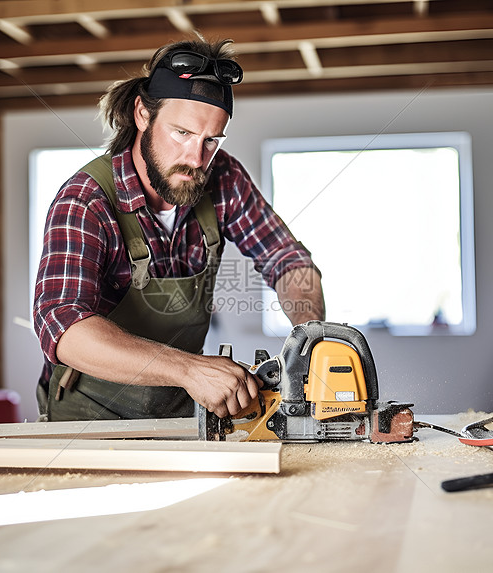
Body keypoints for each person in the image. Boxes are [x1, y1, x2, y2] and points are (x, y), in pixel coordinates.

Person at [33, 35, 325, 422]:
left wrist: (312, 341)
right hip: (89, 417)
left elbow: (287, 260)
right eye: (182, 133)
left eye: (211, 141)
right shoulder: (86, 200)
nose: (195, 158)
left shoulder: (223, 179)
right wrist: (189, 369)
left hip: (179, 413)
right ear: (142, 113)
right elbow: (62, 322)